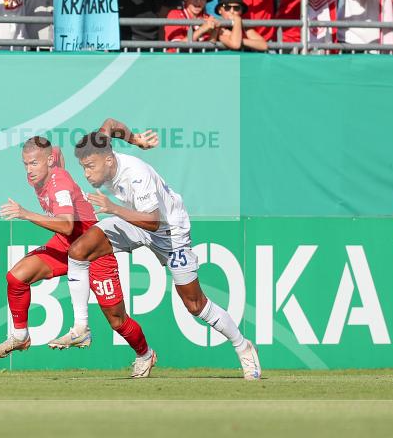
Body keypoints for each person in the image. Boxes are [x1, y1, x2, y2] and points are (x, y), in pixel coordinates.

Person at [58, 125, 262, 380]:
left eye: (90, 166)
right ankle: (81, 327)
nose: (87, 174)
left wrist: (113, 208)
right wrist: (136, 139)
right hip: (135, 221)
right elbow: (110, 124)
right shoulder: (104, 148)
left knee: (195, 304)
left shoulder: (136, 175)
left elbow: (153, 221)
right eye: (84, 167)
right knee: (79, 251)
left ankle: (243, 346)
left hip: (169, 232)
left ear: (108, 160)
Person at [0, 136, 149, 364]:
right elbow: (57, 152)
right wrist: (50, 159)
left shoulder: (59, 184)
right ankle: (20, 337)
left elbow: (66, 224)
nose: (29, 170)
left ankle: (145, 354)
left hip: (94, 249)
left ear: (48, 161)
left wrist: (25, 213)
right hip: (67, 245)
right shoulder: (42, 172)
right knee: (16, 278)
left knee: (117, 320)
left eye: (34, 163)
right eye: (25, 164)